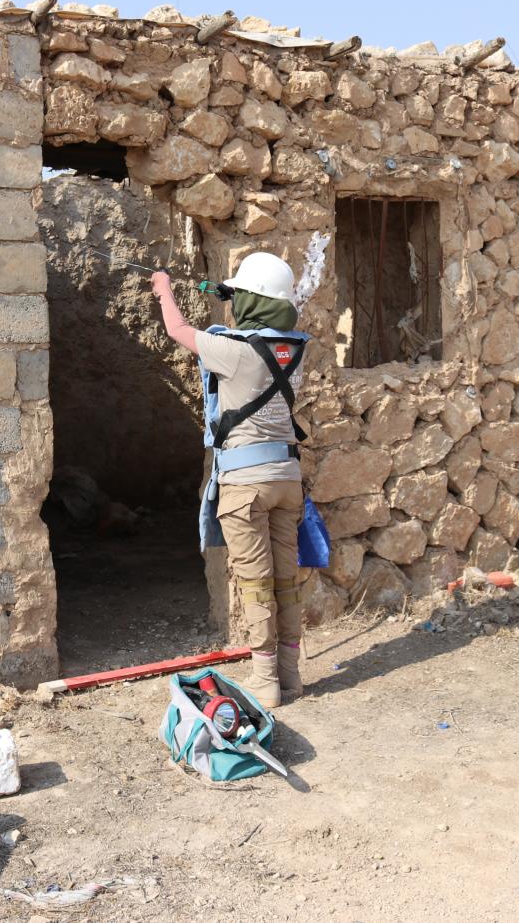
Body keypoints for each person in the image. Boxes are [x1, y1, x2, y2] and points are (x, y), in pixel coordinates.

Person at [152, 252, 309, 708]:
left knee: (256, 582)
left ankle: (266, 682)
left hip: (246, 485)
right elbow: (260, 323)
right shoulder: (296, 346)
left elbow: (178, 330)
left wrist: (164, 289)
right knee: (285, 580)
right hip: (287, 479)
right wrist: (229, 292)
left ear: (251, 302)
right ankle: (291, 677)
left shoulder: (235, 351)